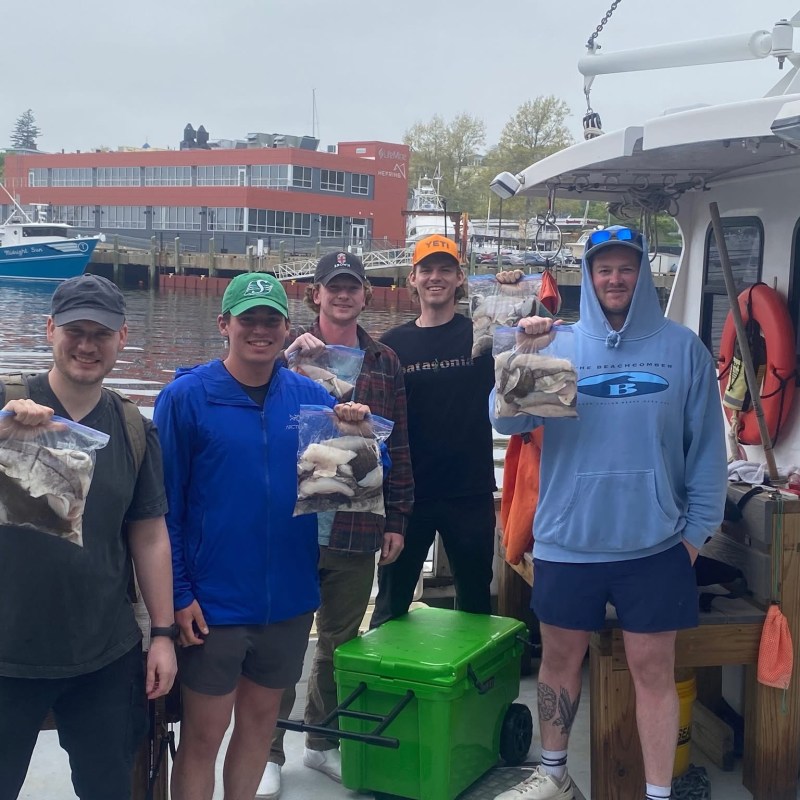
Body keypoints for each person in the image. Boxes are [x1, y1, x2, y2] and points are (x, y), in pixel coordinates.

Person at [490, 226, 727, 800]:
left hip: (656, 545)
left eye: (626, 268)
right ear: (589, 277)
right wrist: (523, 354)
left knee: (653, 673)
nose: (615, 279)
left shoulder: (682, 349)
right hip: (569, 540)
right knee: (560, 662)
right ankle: (553, 775)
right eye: (604, 269)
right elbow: (506, 423)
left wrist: (694, 534)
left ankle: (657, 792)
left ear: (642, 274)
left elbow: (707, 452)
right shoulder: (557, 345)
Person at [153, 272, 373, 800]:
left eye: (270, 320)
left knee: (257, 727)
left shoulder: (310, 397)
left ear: (284, 328)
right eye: (247, 319)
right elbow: (164, 512)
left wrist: (362, 435)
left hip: (289, 600)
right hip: (215, 605)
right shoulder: (184, 398)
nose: (259, 330)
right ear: (223, 324)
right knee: (203, 736)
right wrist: (180, 595)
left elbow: (354, 482)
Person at [0, 274, 177, 800]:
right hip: (7, 653)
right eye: (74, 330)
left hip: (103, 652)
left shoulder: (130, 427)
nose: (86, 345)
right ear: (49, 330)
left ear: (122, 339)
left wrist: (162, 636)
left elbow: (149, 536)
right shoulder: (7, 404)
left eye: (101, 333)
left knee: (108, 788)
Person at [257, 251, 413, 798]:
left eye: (353, 287)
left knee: (339, 643)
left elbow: (401, 444)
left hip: (356, 523)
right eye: (333, 287)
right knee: (283, 640)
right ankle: (267, 750)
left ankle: (321, 742)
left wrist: (398, 517)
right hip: (293, 525)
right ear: (315, 294)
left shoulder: (385, 360)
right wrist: (286, 362)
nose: (343, 295)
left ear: (366, 295)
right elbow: (245, 398)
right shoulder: (282, 347)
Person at [371, 235, 519, 626]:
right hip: (407, 496)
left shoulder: (483, 337)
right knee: (392, 599)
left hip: (468, 491)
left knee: (475, 601)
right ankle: (387, 683)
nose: (435, 277)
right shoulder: (391, 346)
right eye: (427, 270)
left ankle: (471, 684)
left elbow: (525, 346)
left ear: (460, 278)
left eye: (445, 269)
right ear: (412, 279)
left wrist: (514, 289)